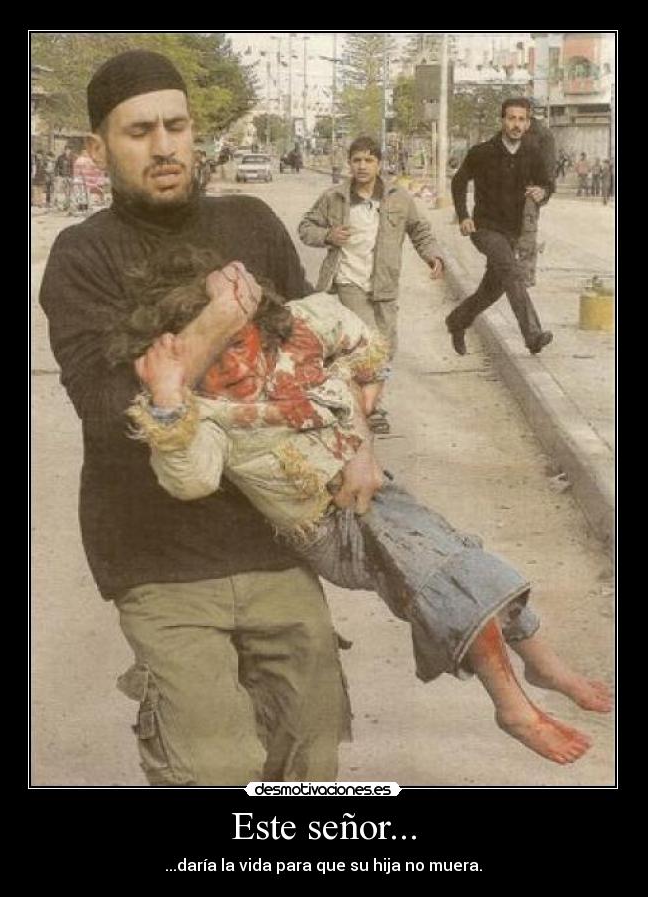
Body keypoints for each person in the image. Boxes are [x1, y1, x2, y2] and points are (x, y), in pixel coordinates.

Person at [116, 247, 611, 766]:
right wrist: (168, 398)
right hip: (326, 526)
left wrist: (363, 400)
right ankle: (514, 702)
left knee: (462, 561)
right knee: (441, 572)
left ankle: (540, 663)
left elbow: (359, 342)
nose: (235, 364)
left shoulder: (300, 331)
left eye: (239, 342)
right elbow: (191, 479)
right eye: (213, 357)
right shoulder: (209, 413)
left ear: (258, 324)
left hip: (375, 493)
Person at [39, 49, 363, 786]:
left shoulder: (250, 220)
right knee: (211, 766)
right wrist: (218, 321)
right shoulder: (80, 254)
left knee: (312, 756)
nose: (163, 147)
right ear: (99, 148)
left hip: (275, 540)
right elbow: (104, 408)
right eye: (139, 131)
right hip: (158, 557)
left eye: (176, 126)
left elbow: (315, 352)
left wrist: (359, 447)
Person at [298, 135, 445, 434]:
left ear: (379, 164)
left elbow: (419, 230)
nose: (362, 166)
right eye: (357, 160)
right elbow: (306, 228)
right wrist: (328, 235)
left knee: (387, 349)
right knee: (367, 346)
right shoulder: (334, 198)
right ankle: (370, 409)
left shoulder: (398, 198)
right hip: (348, 282)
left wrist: (433, 256)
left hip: (384, 286)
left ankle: (364, 401)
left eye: (368, 160)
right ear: (349, 163)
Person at [447, 98, 554, 356]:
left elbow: (547, 184)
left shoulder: (533, 154)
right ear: (502, 120)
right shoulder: (482, 152)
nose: (516, 124)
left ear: (528, 123)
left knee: (492, 290)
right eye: (511, 118)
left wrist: (544, 191)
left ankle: (457, 321)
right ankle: (533, 335)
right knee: (511, 271)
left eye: (521, 119)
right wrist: (463, 216)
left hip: (514, 232)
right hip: (484, 228)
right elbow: (459, 182)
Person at [517, 102, 556, 287]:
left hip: (529, 193)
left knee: (526, 235)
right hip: (506, 193)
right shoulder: (509, 131)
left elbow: (549, 170)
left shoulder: (543, 135)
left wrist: (545, 191)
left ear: (530, 114)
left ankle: (525, 276)